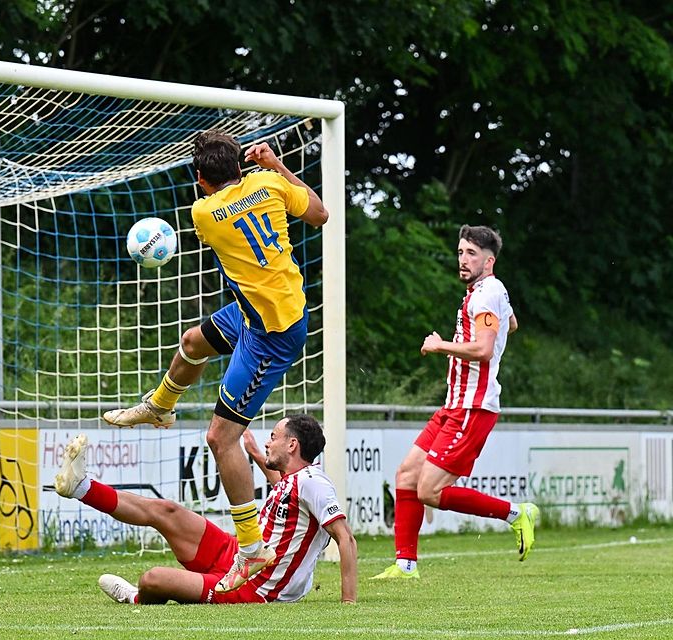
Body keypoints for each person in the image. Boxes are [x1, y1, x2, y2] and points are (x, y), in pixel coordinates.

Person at [102, 131, 329, 592]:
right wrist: (278, 165)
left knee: (221, 438)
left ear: (200, 178)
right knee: (191, 343)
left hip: (272, 336)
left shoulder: (203, 213)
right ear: (243, 166)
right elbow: (320, 214)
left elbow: (222, 203)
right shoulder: (268, 182)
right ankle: (160, 405)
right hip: (259, 309)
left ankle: (250, 547)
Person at [371, 225, 538, 580]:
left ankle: (515, 513)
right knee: (407, 473)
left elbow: (483, 348)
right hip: (454, 403)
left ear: (488, 261)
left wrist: (440, 345)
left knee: (429, 490)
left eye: (471, 254)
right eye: (461, 252)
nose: (463, 259)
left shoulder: (486, 294)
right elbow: (512, 323)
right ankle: (405, 565)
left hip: (472, 407)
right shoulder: (488, 291)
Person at [54, 415, 357, 604]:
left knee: (153, 580)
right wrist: (252, 452)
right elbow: (285, 486)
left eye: (274, 437)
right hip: (237, 553)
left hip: (255, 587)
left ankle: (135, 597)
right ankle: (82, 487)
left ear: (292, 445)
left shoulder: (314, 482)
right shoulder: (294, 479)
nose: (268, 442)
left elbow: (346, 537)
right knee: (166, 510)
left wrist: (348, 603)